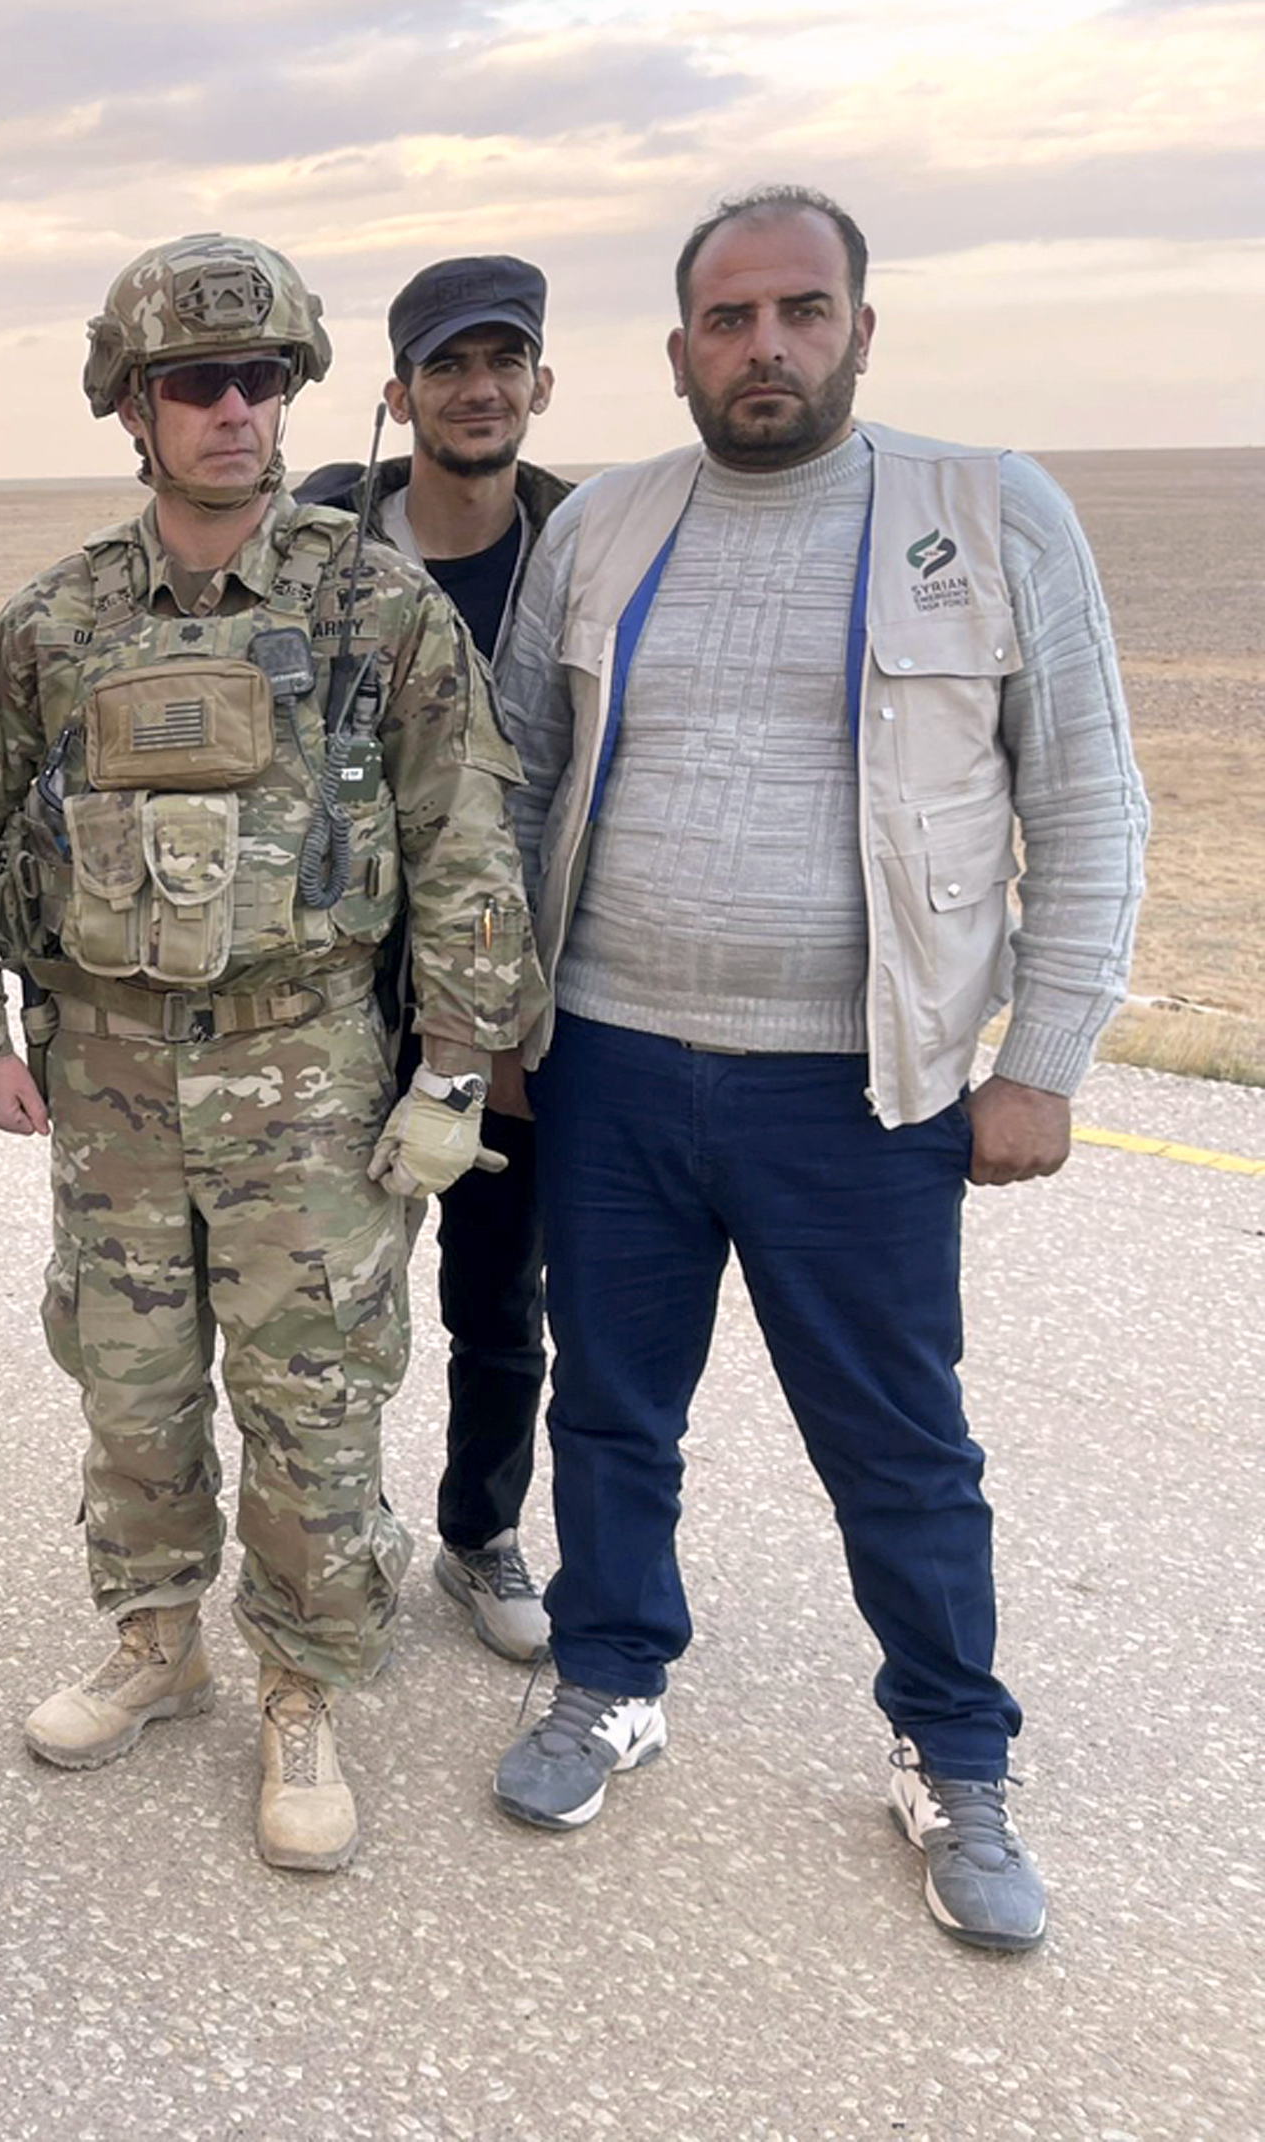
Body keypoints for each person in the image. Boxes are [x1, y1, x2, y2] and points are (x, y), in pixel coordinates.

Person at [485, 186, 1149, 1953]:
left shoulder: (989, 511)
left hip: (860, 1090)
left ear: (863, 325)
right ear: (680, 348)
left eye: (799, 311)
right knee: (612, 1403)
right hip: (614, 1060)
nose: (763, 346)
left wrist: (1046, 1060)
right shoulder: (608, 528)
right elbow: (516, 784)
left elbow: (1086, 801)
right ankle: (608, 1675)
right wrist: (503, 1023)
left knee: (899, 1439)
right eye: (729, 319)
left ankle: (953, 1749)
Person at [0, 234, 545, 1872]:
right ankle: (155, 1638)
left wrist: (452, 1068)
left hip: (311, 1090)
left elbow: (467, 841)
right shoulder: (58, 624)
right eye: (191, 384)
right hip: (116, 1095)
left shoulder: (374, 606)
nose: (230, 409)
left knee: (313, 1405)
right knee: (130, 1393)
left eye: (257, 380)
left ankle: (301, 1685)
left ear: (290, 395)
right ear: (130, 408)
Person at [295, 255, 572, 1664]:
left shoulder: (584, 543)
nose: (479, 389)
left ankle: (481, 1530)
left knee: (497, 1292)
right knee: (341, 1294)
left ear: (540, 380)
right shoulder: (321, 541)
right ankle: (351, 1531)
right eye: (448, 366)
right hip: (342, 991)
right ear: (397, 393)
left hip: (512, 993)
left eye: (502, 361)